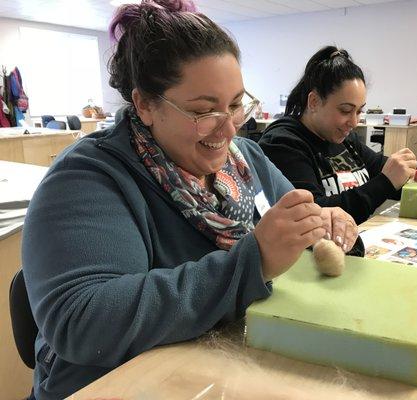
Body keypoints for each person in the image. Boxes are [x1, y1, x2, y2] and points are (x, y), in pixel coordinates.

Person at [21, 4, 358, 399]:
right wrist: (253, 262)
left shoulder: (245, 160)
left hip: (223, 367)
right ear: (145, 104)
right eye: (203, 110)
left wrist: (323, 221)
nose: (230, 127)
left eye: (235, 104)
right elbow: (82, 321)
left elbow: (293, 219)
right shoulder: (89, 178)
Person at [258, 46, 417, 225]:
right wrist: (385, 182)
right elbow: (315, 214)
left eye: (359, 111)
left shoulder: (345, 139)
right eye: (345, 110)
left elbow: (388, 171)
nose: (354, 122)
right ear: (314, 102)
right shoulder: (283, 144)